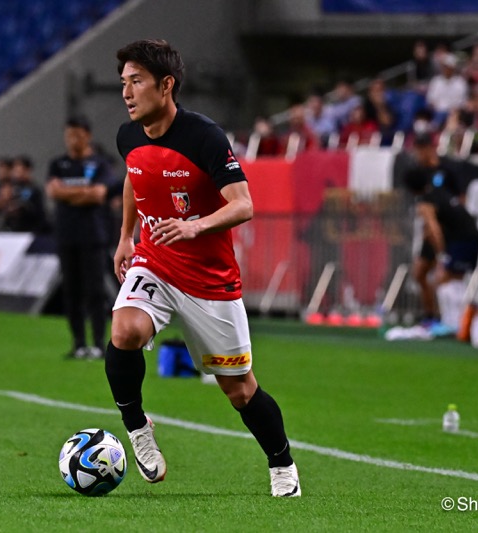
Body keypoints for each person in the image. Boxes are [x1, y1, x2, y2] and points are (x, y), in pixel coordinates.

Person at [106, 39, 300, 497]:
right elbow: (135, 180)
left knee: (240, 390)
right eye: (123, 83)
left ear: (166, 85)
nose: (127, 93)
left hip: (209, 283)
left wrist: (196, 228)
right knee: (124, 331)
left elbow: (244, 205)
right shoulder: (127, 136)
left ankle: (282, 465)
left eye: (136, 82)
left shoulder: (204, 137)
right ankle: (137, 427)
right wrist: (125, 237)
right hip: (154, 263)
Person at [46, 116, 117, 359]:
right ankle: (78, 343)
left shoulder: (100, 164)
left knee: (95, 291)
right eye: (68, 135)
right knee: (71, 291)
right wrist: (82, 193)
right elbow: (52, 191)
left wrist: (67, 194)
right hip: (66, 236)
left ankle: (98, 343)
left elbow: (98, 195)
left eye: (76, 135)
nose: (71, 140)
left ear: (87, 135)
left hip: (93, 236)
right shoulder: (58, 164)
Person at [404, 165, 478, 328]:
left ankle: (456, 323)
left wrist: (441, 256)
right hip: (457, 237)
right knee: (422, 274)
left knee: (447, 280)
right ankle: (436, 317)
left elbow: (434, 229)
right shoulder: (437, 192)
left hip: (462, 239)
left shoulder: (426, 202)